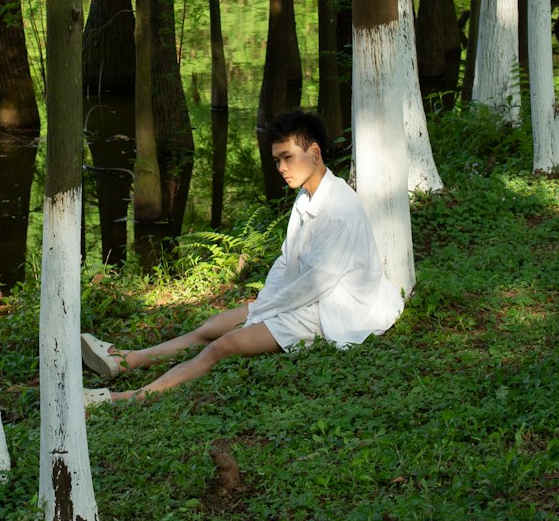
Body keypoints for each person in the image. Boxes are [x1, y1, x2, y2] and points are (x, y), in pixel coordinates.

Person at [81, 109, 404, 403]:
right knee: (212, 326)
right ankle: (125, 359)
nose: (281, 168)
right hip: (305, 298)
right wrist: (264, 303)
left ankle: (122, 398)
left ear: (314, 152)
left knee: (222, 346)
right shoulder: (308, 195)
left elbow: (317, 284)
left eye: (288, 157)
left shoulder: (338, 209)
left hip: (333, 309)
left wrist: (265, 311)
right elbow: (286, 260)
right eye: (277, 160)